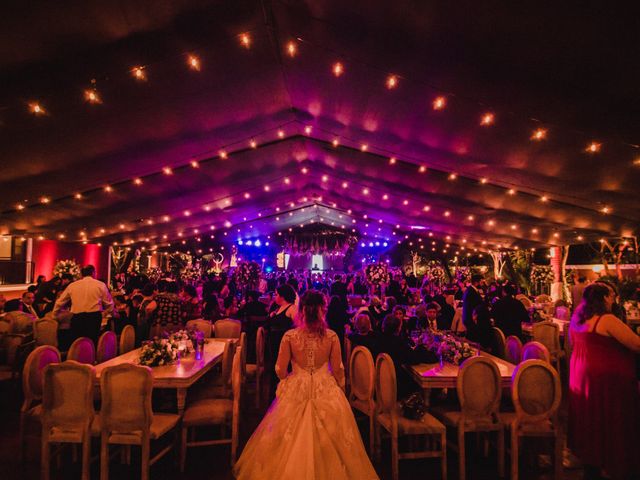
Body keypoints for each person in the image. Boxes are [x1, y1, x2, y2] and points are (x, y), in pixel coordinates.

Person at [233, 290, 379, 480]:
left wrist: (289, 378)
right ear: (323, 311)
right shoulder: (332, 336)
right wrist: (340, 388)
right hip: (324, 385)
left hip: (297, 384)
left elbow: (279, 370)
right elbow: (338, 369)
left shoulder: (290, 336)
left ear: (301, 311)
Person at [568, 283, 640, 480]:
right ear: (604, 298)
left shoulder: (576, 318)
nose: (614, 299)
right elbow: (635, 344)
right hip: (604, 377)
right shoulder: (606, 319)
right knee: (609, 418)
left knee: (591, 418)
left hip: (580, 374)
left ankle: (592, 460)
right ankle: (613, 461)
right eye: (611, 295)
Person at [376, 313, 437, 398]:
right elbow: (414, 359)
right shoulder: (398, 342)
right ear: (398, 328)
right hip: (397, 385)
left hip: (380, 382)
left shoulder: (377, 339)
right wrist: (422, 348)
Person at [53, 265, 114, 345]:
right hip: (93, 318)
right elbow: (109, 304)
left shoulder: (73, 285)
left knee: (77, 344)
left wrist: (54, 315)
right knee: (92, 343)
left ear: (82, 274)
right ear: (93, 273)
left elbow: (59, 302)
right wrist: (105, 313)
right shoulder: (100, 285)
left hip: (77, 318)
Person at [266, 284, 297, 399]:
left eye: (277, 294)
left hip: (283, 345)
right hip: (274, 344)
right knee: (275, 369)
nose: (275, 296)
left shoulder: (292, 309)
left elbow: (298, 328)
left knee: (282, 369)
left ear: (283, 296)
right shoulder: (278, 308)